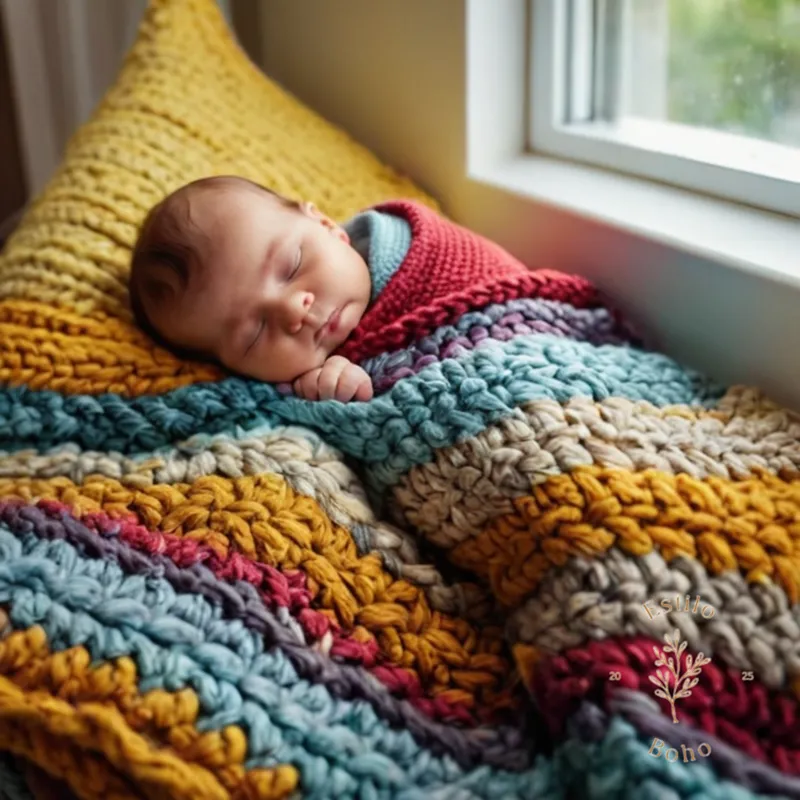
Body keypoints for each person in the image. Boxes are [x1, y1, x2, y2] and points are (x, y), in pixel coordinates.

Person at [129, 175, 596, 402]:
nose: (295, 309)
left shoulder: (419, 251)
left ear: (329, 227)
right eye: (253, 334)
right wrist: (344, 396)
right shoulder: (302, 386)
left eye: (292, 266)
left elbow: (510, 309)